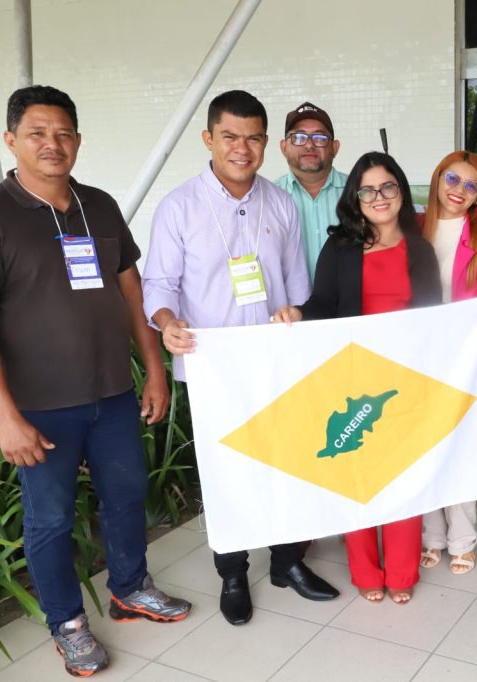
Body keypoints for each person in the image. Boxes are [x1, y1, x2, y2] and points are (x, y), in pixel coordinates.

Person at [0, 85, 190, 677]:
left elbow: (132, 295)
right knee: (50, 518)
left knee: (126, 496)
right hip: (40, 407)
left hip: (113, 394)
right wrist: (5, 418)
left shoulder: (98, 206)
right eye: (37, 133)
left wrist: (154, 372)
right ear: (12, 140)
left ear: (78, 140)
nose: (52, 144)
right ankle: (68, 623)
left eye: (63, 133)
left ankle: (130, 588)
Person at [142, 90, 338, 627]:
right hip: (214, 367)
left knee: (289, 464)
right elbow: (158, 283)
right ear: (209, 138)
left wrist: (300, 323)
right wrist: (167, 322)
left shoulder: (279, 202)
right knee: (226, 474)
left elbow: (296, 283)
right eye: (230, 136)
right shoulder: (179, 206)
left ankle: (287, 562)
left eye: (253, 138)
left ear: (266, 143)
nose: (242, 148)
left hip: (275, 361)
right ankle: (232, 573)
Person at [272, 152, 442, 604]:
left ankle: (401, 573)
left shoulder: (420, 248)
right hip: (351, 378)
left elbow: (433, 317)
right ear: (356, 197)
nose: (378, 197)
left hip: (404, 381)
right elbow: (323, 304)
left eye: (387, 187)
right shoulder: (341, 247)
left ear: (400, 191)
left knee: (401, 477)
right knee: (357, 477)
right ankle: (366, 573)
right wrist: (298, 313)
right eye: (367, 189)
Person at [418, 150, 477, 576]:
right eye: (453, 179)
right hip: (419, 355)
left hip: (465, 359)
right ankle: (431, 536)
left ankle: (463, 539)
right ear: (437, 178)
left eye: (472, 185)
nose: (459, 190)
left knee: (462, 449)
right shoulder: (412, 227)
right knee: (424, 447)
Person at [275, 102, 347, 278]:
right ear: (284, 147)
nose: (309, 145)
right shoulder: (268, 198)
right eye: (299, 137)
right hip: (290, 297)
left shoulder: (359, 193)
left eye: (319, 138)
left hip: (349, 296)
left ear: (335, 147)